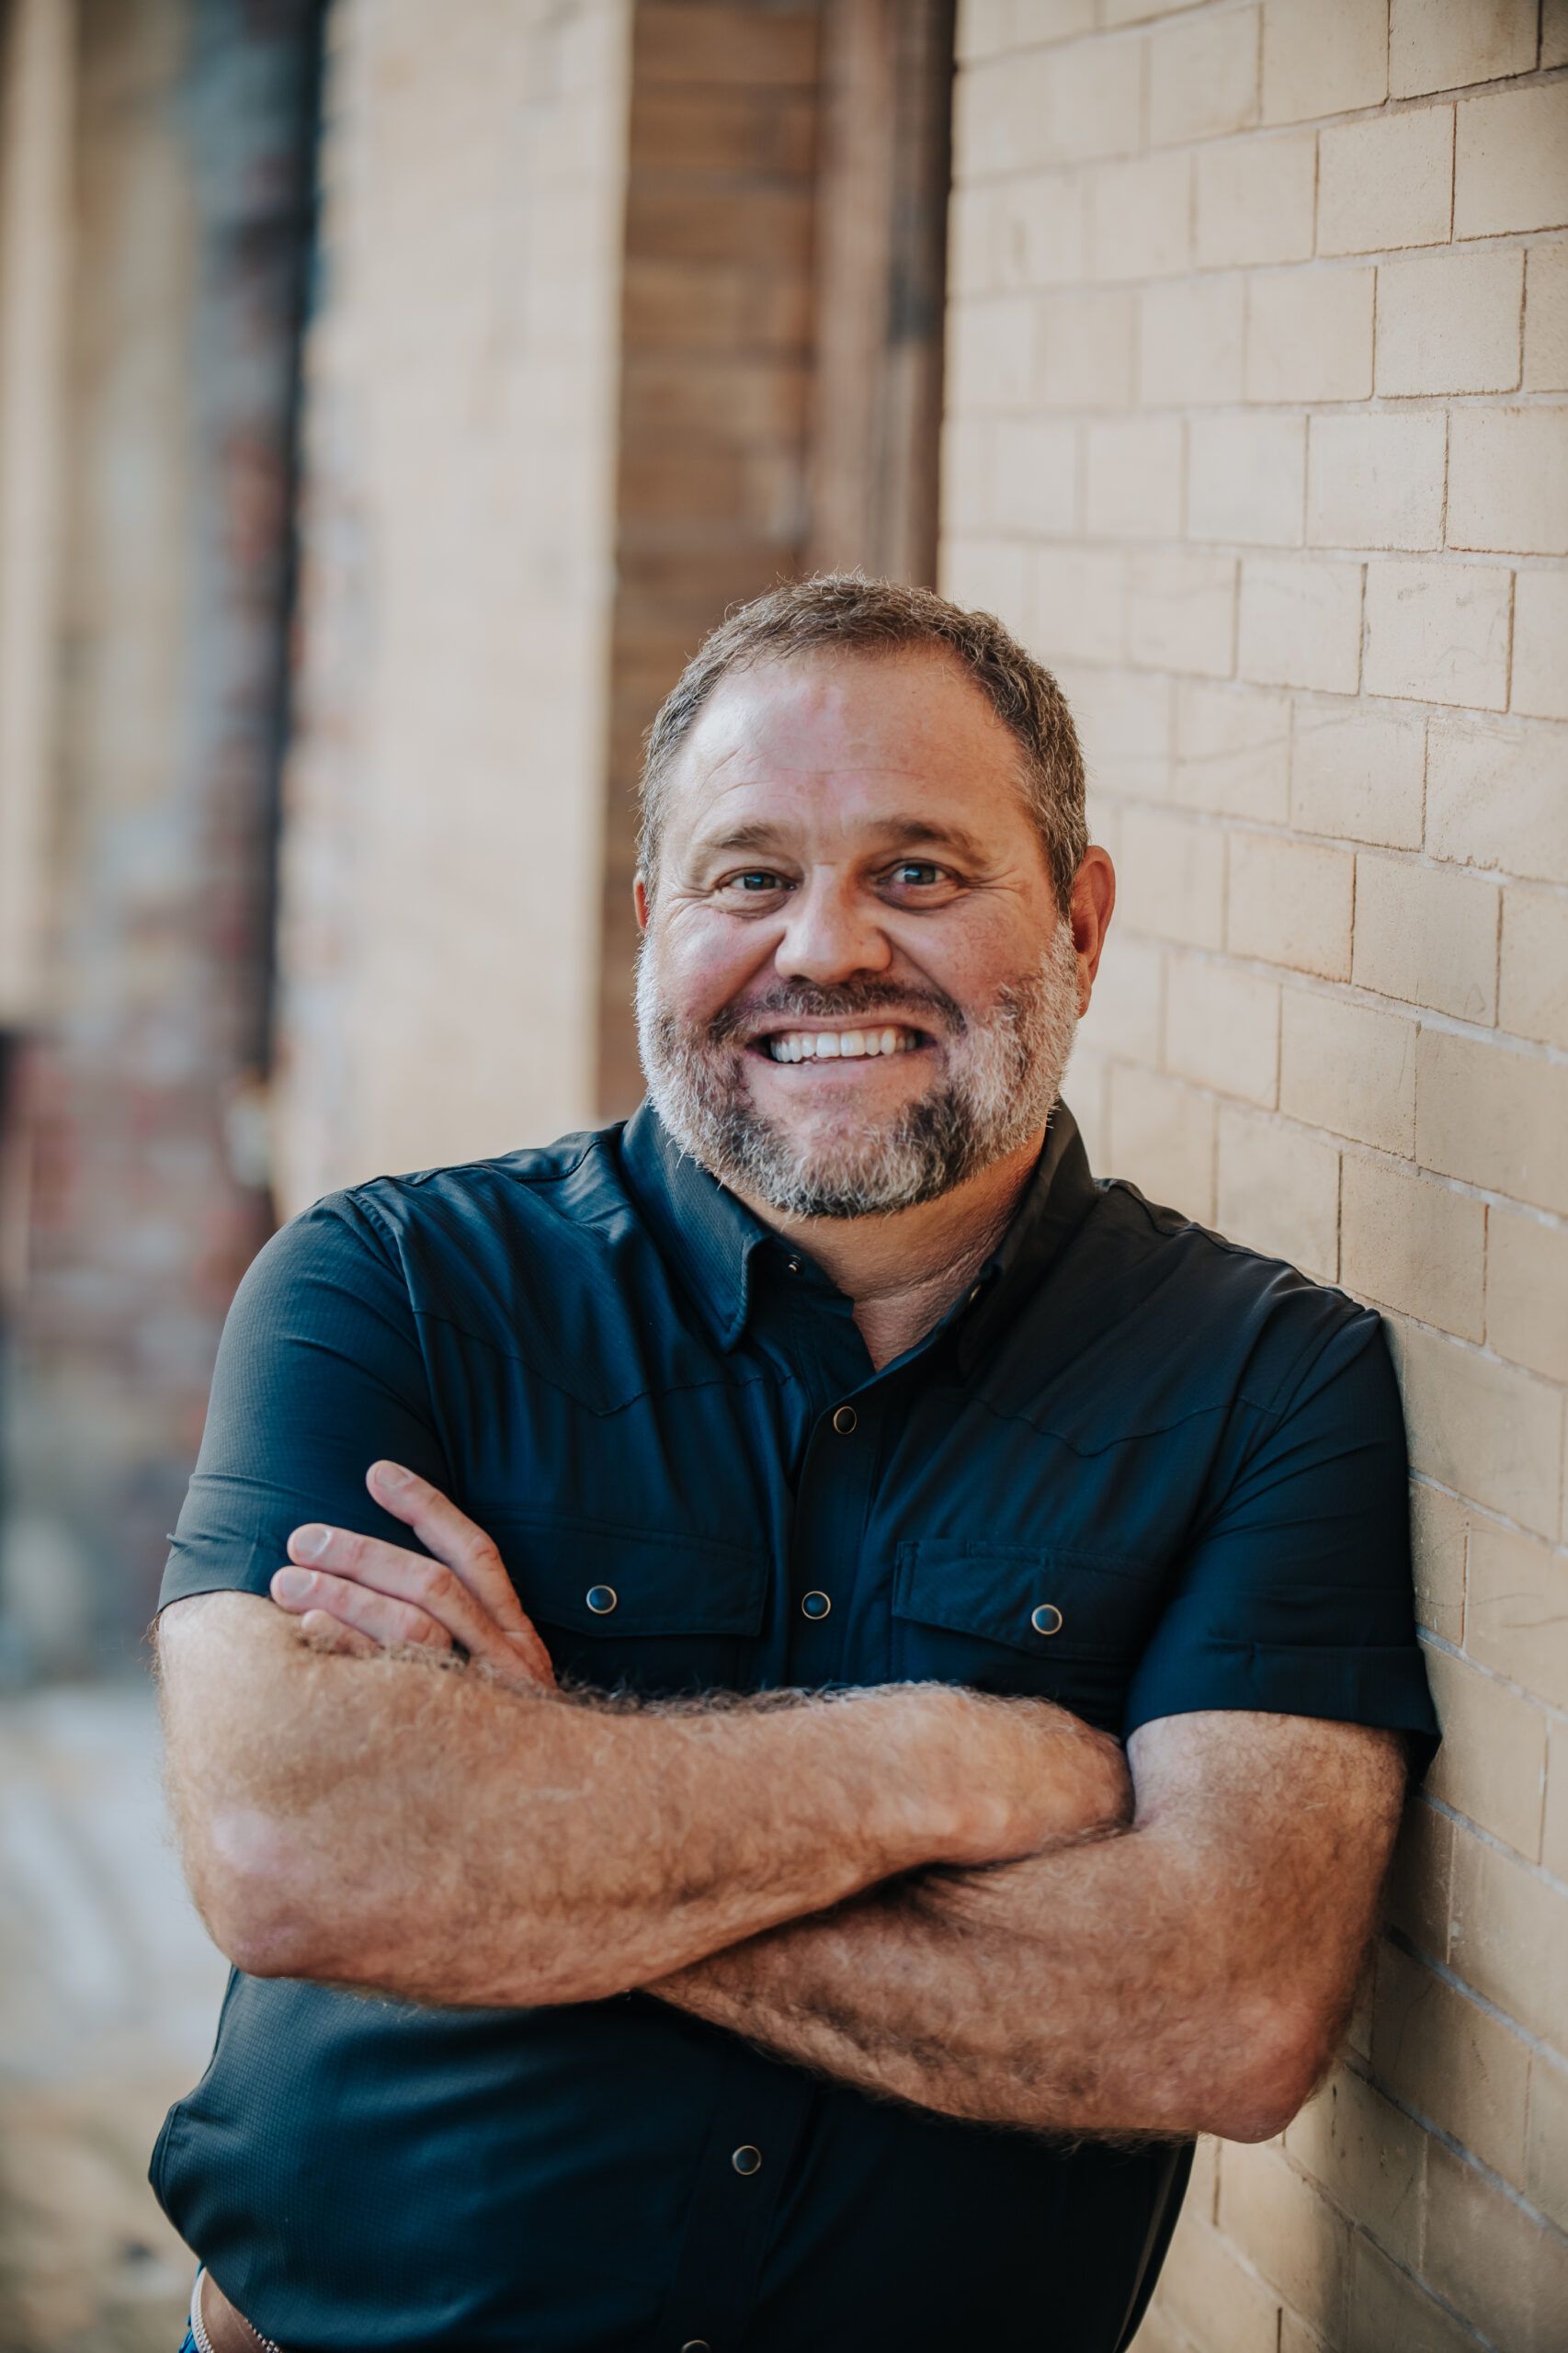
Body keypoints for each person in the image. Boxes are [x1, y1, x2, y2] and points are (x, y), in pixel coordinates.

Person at [152, 575, 1437, 2353]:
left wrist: (519, 1821)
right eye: (747, 876)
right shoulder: (389, 1291)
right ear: (649, 924)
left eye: (917, 871)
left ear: (1081, 918)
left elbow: (1212, 2014)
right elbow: (291, 1851)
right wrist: (948, 1766)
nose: (824, 949)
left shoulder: (1264, 1382)